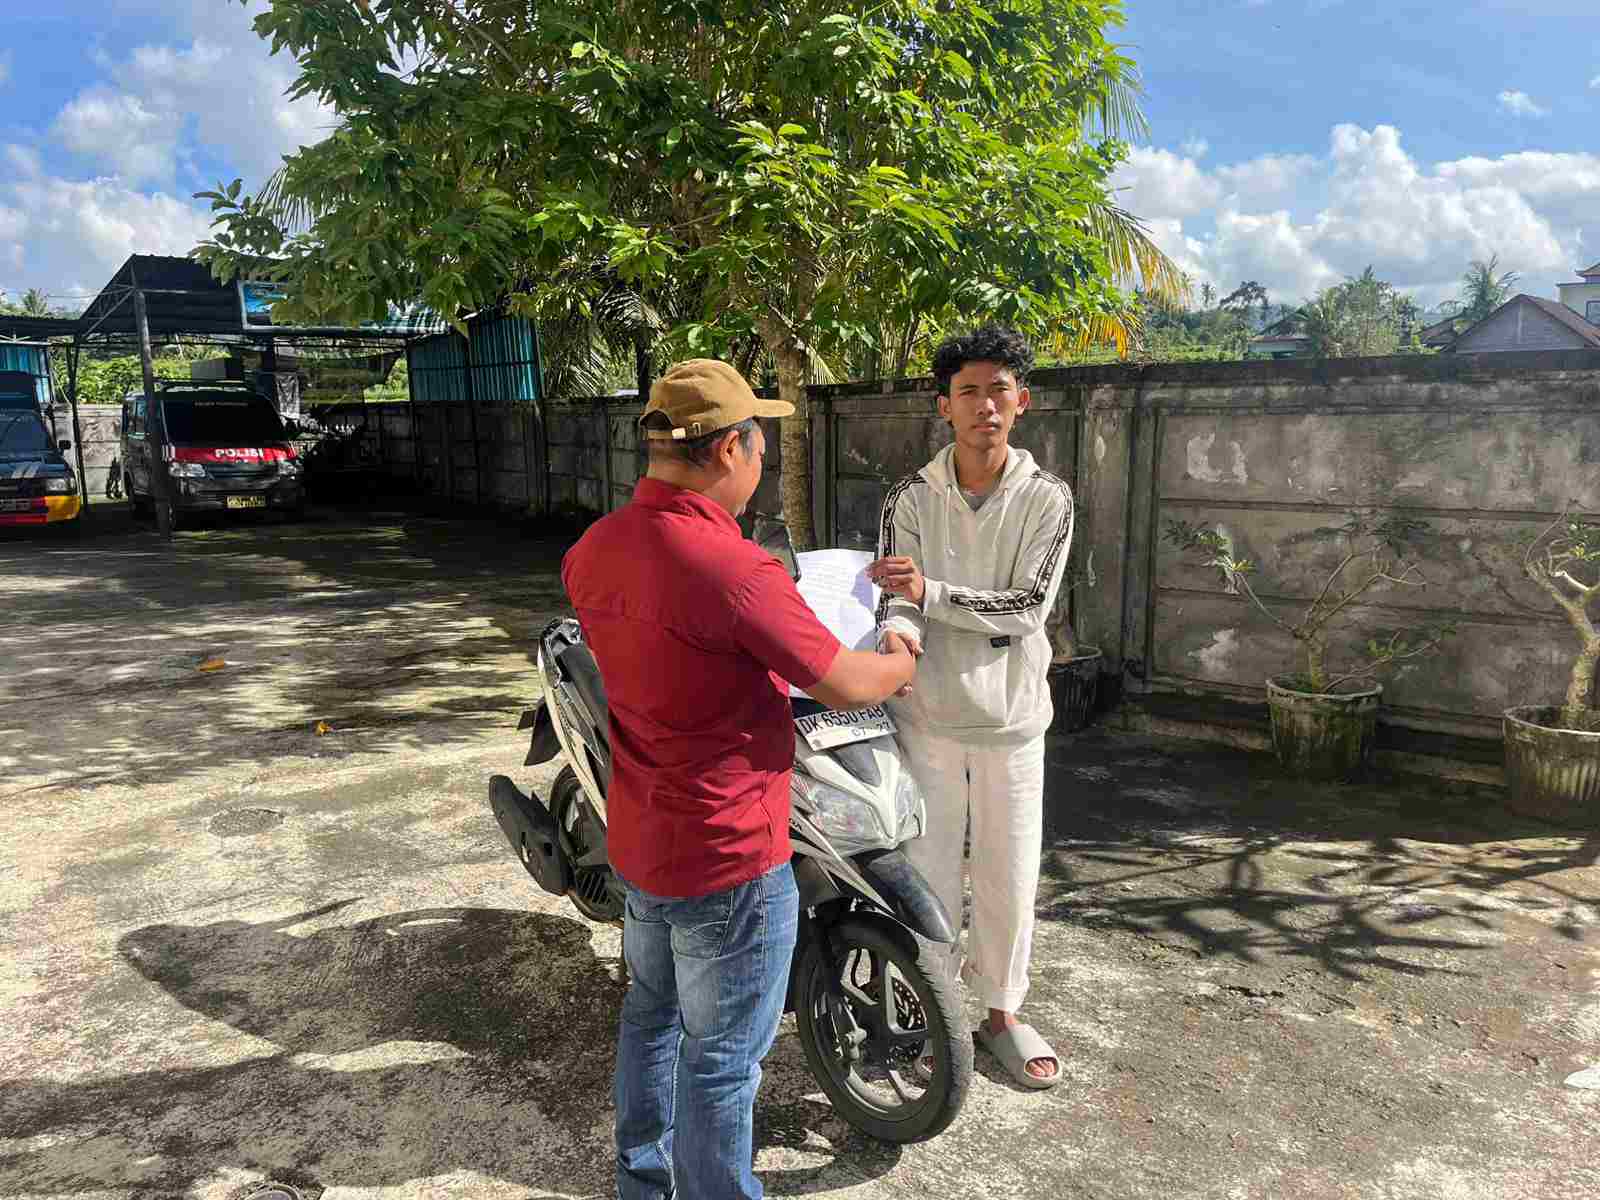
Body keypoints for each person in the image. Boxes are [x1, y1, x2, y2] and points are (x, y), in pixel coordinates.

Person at [561, 358, 917, 1200]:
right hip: (730, 852)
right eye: (760, 444)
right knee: (723, 1058)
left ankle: (643, 1182)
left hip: (644, 835)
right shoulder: (732, 567)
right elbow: (843, 680)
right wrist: (903, 648)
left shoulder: (593, 550)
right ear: (729, 448)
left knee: (652, 1016)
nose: (762, 461)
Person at [867, 324, 1072, 1090]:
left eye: (998, 390)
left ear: (1022, 402)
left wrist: (929, 594)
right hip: (926, 716)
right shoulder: (910, 497)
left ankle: (1002, 1015)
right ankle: (930, 1009)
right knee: (923, 872)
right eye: (968, 392)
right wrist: (897, 637)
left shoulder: (1048, 498)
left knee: (1008, 873)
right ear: (943, 406)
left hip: (1011, 720)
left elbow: (1027, 607)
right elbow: (897, 597)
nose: (985, 405)